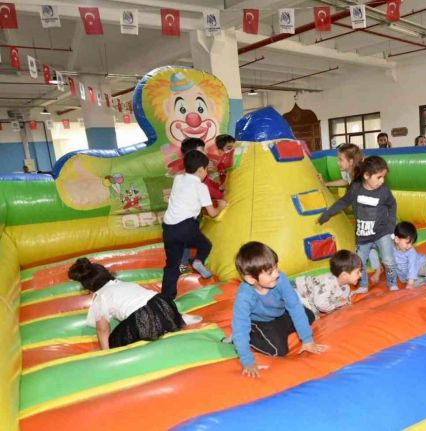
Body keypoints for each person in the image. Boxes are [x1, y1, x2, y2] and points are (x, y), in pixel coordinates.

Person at [231, 241, 327, 378]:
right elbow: (240, 326)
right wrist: (247, 361)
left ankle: (280, 330)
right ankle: (247, 337)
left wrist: (307, 339)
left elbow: (295, 307)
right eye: (270, 272)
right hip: (261, 322)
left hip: (280, 314)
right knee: (278, 350)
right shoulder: (244, 296)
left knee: (309, 315)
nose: (276, 274)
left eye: (276, 267)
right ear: (251, 279)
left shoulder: (281, 279)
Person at [318, 156, 398, 294]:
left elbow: (392, 204)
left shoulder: (383, 191)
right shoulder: (356, 188)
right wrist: (328, 214)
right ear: (366, 175)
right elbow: (343, 201)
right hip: (363, 235)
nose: (382, 181)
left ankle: (392, 284)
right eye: (379, 177)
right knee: (359, 262)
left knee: (388, 259)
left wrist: (391, 226)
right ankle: (363, 285)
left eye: (384, 177)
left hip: (382, 232)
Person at [68, 257, 185, 349]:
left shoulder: (100, 296)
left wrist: (107, 353)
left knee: (115, 341)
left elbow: (102, 330)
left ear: (88, 286)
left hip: (145, 317)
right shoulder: (122, 283)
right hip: (165, 305)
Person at [161, 150, 225, 300]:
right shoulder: (201, 187)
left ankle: (166, 298)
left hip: (168, 228)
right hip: (186, 227)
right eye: (206, 170)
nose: (207, 173)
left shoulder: (178, 179)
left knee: (172, 265)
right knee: (205, 245)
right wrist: (221, 206)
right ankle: (197, 261)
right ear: (201, 170)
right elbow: (212, 213)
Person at [318, 143, 382, 283]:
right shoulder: (350, 173)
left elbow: (345, 200)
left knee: (367, 244)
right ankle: (377, 269)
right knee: (369, 243)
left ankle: (364, 277)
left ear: (351, 161)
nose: (338, 162)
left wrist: (327, 214)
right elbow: (345, 182)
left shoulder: (360, 178)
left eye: (340, 159)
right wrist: (326, 184)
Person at [294, 250, 362, 320]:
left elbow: (343, 301)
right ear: (344, 275)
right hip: (300, 290)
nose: (361, 274)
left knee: (313, 314)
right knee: (312, 317)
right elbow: (320, 304)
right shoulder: (328, 283)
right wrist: (335, 305)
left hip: (309, 296)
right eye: (357, 272)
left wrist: (342, 304)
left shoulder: (346, 287)